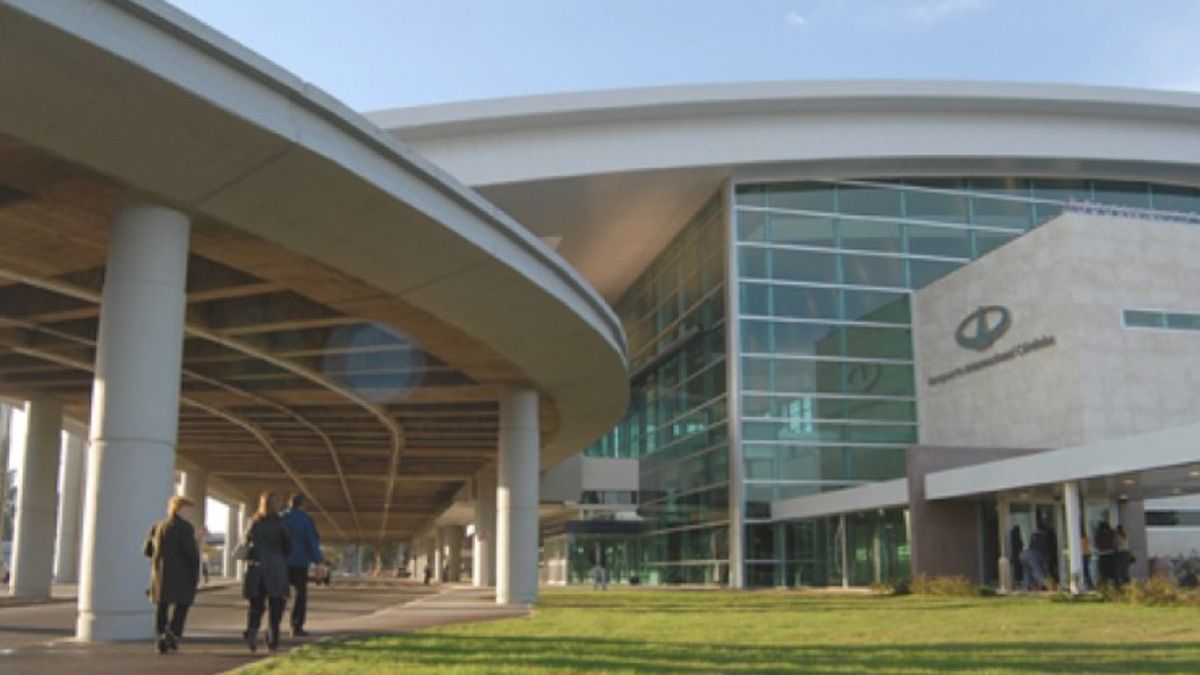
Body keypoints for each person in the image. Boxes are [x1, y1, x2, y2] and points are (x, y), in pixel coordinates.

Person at [143, 495, 201, 655]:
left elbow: (147, 550)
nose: (190, 513)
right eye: (188, 509)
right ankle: (173, 634)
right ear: (180, 509)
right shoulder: (185, 528)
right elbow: (190, 553)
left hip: (160, 574)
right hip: (182, 574)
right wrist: (197, 564)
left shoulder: (157, 526)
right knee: (182, 605)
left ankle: (160, 636)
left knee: (162, 607)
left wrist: (158, 560)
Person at [242, 491, 292, 652]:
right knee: (276, 605)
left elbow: (245, 542)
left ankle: (252, 630)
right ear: (277, 505)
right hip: (276, 568)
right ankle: (272, 638)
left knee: (256, 605)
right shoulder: (281, 523)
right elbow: (288, 547)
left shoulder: (254, 522)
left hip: (257, 567)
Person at [282, 493, 324, 638]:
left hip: (281, 563)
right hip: (299, 563)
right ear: (303, 504)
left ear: (289, 503)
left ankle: (273, 625)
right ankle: (296, 626)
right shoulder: (306, 520)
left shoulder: (281, 518)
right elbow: (311, 541)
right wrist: (318, 560)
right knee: (299, 595)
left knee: (279, 595)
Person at [1094, 520, 1116, 587]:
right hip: (1110, 553)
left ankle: (1104, 584)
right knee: (1111, 570)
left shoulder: (1099, 533)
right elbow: (1114, 542)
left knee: (1103, 571)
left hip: (1102, 553)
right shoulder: (1111, 532)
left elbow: (1097, 543)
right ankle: (1111, 584)